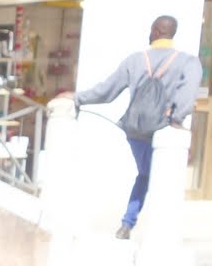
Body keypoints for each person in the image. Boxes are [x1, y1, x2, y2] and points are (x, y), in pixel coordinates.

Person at [59, 15, 202, 239]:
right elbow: (188, 92)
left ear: (155, 31)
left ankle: (127, 224)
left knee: (145, 174)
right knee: (161, 179)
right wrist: (177, 119)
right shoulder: (188, 62)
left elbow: (107, 91)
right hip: (165, 130)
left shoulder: (135, 60)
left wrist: (78, 98)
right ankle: (144, 229)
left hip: (136, 131)